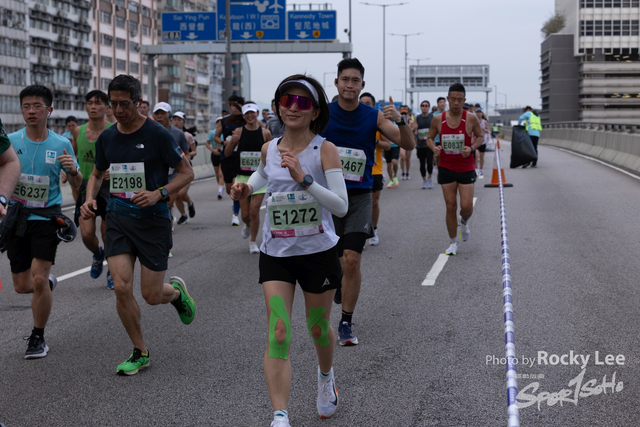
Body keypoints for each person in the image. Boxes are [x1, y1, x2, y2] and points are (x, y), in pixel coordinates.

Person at [231, 74, 347, 427]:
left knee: (318, 328)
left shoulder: (324, 150)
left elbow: (341, 206)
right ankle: (280, 415)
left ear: (315, 111)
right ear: (278, 106)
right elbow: (262, 176)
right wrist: (245, 187)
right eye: (287, 101)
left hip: (317, 253)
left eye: (303, 102)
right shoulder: (270, 148)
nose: (293, 108)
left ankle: (326, 377)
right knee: (278, 331)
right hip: (277, 253)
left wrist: (304, 179)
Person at [80, 75, 196, 375]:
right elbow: (97, 173)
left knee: (152, 296)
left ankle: (176, 294)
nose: (118, 110)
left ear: (138, 102)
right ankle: (140, 351)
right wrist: (90, 199)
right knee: (121, 287)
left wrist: (159, 193)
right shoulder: (107, 137)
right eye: (113, 104)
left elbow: (186, 172)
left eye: (124, 104)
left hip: (153, 221)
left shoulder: (158, 134)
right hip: (118, 219)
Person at [322, 58, 415, 345]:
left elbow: (408, 144)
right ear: (336, 82)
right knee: (334, 263)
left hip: (359, 196)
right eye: (345, 79)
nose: (350, 85)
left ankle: (346, 322)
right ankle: (338, 281)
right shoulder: (321, 114)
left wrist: (400, 120)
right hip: (327, 197)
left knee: (352, 260)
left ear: (362, 85)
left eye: (355, 80)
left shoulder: (373, 116)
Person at [3, 85, 82, 359]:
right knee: (22, 286)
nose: (31, 111)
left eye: (37, 106)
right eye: (26, 106)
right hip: (16, 217)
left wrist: (73, 170)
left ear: (49, 110)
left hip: (47, 216)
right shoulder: (10, 141)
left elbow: (77, 182)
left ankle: (38, 337)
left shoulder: (61, 144)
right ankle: (46, 283)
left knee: (37, 278)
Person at [427, 83, 484, 256]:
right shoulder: (438, 119)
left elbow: (480, 136)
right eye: (453, 99)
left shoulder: (470, 118)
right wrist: (434, 148)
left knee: (466, 206)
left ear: (464, 100)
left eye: (460, 99)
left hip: (466, 167)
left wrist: (471, 148)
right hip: (446, 167)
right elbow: (429, 138)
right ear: (448, 99)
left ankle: (464, 221)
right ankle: (453, 242)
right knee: (450, 206)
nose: (456, 103)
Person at [71, 90, 114, 289]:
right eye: (90, 103)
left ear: (107, 107)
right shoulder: (78, 131)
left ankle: (113, 270)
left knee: (107, 234)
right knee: (87, 235)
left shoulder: (115, 130)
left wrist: (114, 169)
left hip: (109, 186)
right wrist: (69, 170)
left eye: (98, 103)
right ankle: (98, 254)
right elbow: (74, 155)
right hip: (86, 185)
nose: (93, 106)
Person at [225, 102, 272, 253]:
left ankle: (253, 242)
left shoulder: (265, 133)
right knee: (245, 215)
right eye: (247, 113)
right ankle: (247, 224)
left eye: (252, 112)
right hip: (243, 177)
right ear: (243, 116)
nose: (250, 116)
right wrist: (232, 142)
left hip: (261, 177)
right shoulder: (239, 131)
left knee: (254, 210)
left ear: (257, 113)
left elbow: (272, 155)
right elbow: (227, 153)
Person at [359, 92, 390, 246]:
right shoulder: (353, 123)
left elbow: (388, 145)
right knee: (356, 203)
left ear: (373, 106)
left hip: (374, 170)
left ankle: (374, 229)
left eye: (368, 103)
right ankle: (360, 233)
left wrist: (375, 141)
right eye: (362, 103)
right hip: (356, 170)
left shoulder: (377, 123)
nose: (365, 106)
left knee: (374, 202)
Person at [152, 102, 191, 228]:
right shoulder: (148, 132)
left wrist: (183, 167)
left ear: (169, 115)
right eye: (157, 113)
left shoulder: (178, 133)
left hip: (173, 175)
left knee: (168, 204)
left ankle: (167, 229)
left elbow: (186, 153)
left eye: (162, 113)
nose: (159, 116)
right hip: (155, 175)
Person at [214, 95, 246, 226]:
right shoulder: (224, 121)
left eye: (237, 105)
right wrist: (224, 142)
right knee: (229, 189)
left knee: (236, 184)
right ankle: (236, 203)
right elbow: (216, 137)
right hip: (227, 157)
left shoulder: (246, 119)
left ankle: (235, 214)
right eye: (233, 105)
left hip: (241, 158)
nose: (235, 108)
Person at [172, 111, 197, 222]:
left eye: (179, 120)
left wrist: (184, 157)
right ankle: (183, 215)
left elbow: (194, 151)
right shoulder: (168, 133)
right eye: (175, 119)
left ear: (184, 122)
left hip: (185, 168)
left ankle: (190, 203)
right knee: (175, 195)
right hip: (172, 169)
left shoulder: (187, 135)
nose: (176, 122)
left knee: (181, 193)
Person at [0, 118, 21, 218]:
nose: (31, 111)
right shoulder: (12, 138)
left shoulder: (62, 142)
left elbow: (10, 161)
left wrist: (1, 199)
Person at [413, 100, 435, 189]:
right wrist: (414, 129)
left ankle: (429, 178)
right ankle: (424, 180)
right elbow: (413, 130)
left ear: (428, 107)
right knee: (422, 164)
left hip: (429, 144)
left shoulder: (432, 117)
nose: (424, 107)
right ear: (420, 107)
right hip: (420, 145)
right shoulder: (417, 118)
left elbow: (436, 129)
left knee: (430, 163)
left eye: (426, 105)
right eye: (423, 105)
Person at [206, 117, 225, 200]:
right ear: (216, 123)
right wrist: (213, 150)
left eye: (221, 122)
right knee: (217, 174)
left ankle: (220, 192)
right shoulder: (212, 133)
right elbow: (207, 143)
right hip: (215, 155)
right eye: (218, 122)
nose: (219, 123)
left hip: (224, 155)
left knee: (221, 174)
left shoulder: (226, 132)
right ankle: (220, 186)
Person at [399, 106, 414, 180]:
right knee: (402, 157)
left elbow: (413, 130)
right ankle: (403, 172)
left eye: (405, 113)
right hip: (401, 140)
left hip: (409, 141)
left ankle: (407, 173)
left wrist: (409, 124)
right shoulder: (398, 120)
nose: (404, 115)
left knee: (407, 159)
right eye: (402, 113)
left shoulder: (411, 120)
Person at [474, 108, 489, 178]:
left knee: (482, 157)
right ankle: (476, 168)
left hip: (483, 141)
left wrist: (484, 129)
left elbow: (488, 131)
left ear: (482, 114)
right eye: (477, 112)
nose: (478, 114)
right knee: (476, 155)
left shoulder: (484, 122)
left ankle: (481, 169)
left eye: (480, 112)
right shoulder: (474, 121)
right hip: (476, 141)